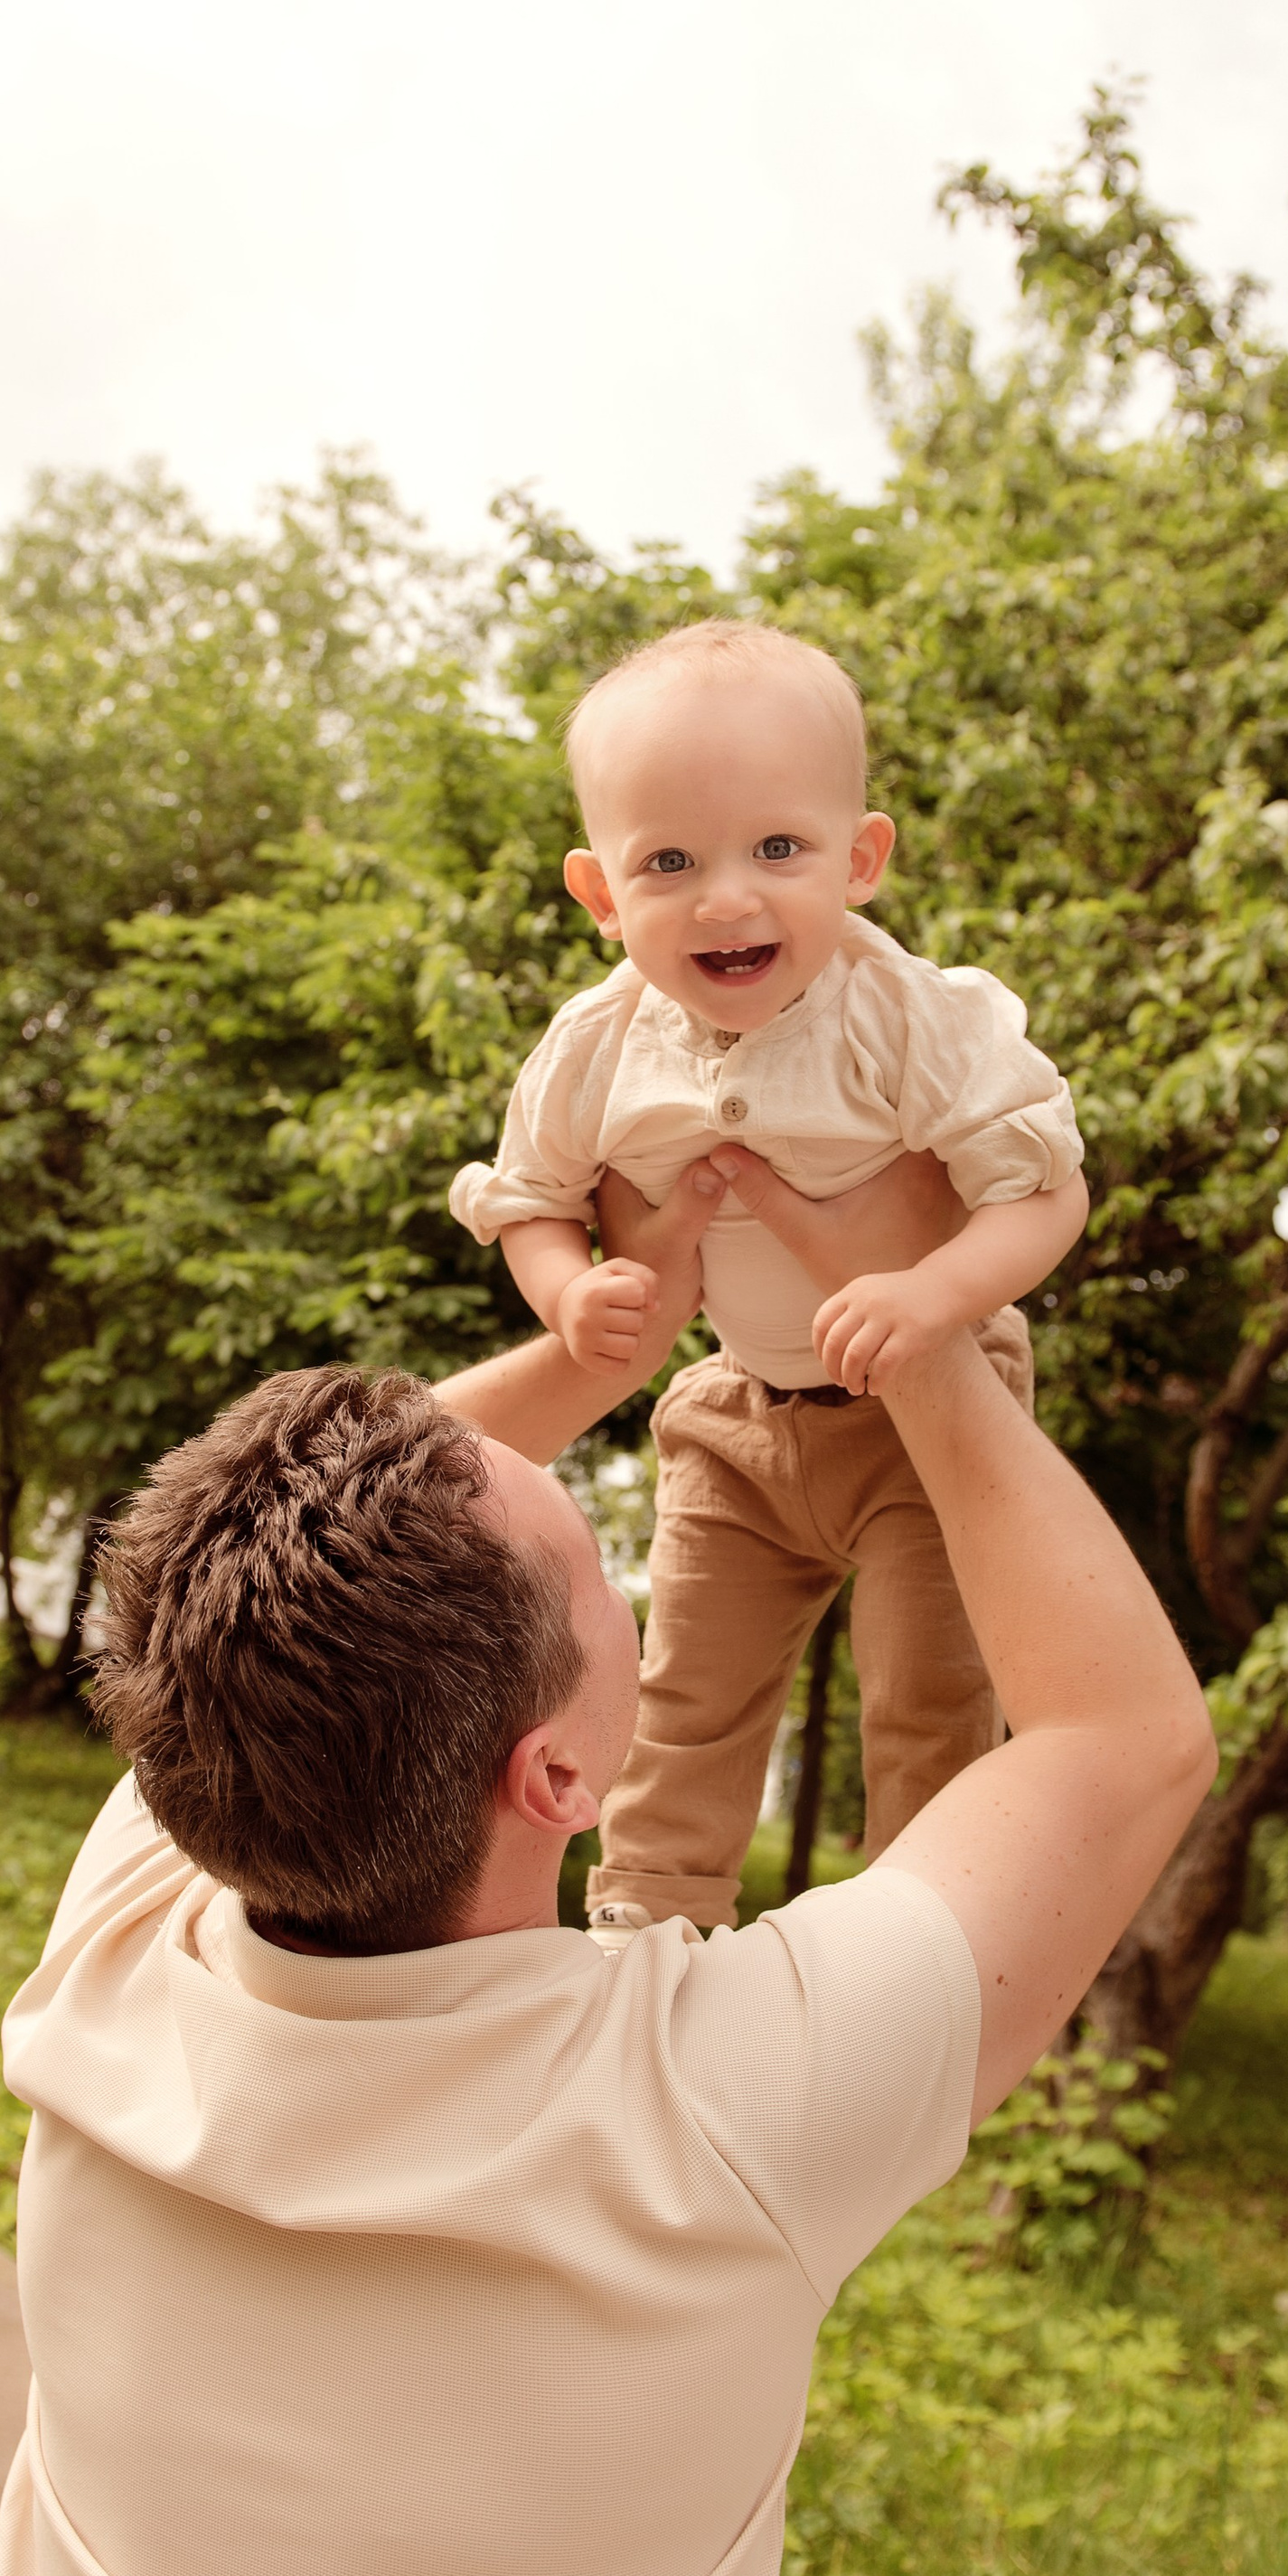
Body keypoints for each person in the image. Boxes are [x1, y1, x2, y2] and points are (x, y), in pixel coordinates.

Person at [0, 1144, 1215, 2576]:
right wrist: (920, 1322)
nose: (630, 1565)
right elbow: (1121, 1734)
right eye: (603, 1570)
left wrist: (607, 1341)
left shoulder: (125, 1936)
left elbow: (236, 1601)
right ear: (558, 1779)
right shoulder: (716, 2110)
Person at [449, 618, 1089, 1940]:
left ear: (860, 861)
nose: (728, 897)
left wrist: (934, 1295)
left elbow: (1044, 1190)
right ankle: (646, 1930)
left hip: (930, 1417)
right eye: (670, 862)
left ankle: (919, 1942)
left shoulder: (912, 1017)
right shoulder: (592, 1048)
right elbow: (530, 1201)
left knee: (927, 1698)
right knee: (684, 1696)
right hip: (740, 1418)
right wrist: (569, 1294)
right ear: (602, 896)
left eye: (778, 850)